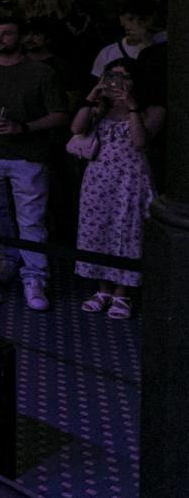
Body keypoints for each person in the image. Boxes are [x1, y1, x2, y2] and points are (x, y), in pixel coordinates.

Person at [0, 15, 70, 310]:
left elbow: (60, 114)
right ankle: (7, 260)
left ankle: (35, 277)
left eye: (7, 33)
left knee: (31, 219)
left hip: (29, 155)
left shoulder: (41, 73)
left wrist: (24, 127)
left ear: (20, 37)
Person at [73, 59, 164, 319]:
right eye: (112, 75)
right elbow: (76, 128)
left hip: (131, 180)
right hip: (98, 179)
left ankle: (122, 292)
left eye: (125, 76)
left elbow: (139, 141)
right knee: (96, 230)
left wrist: (132, 107)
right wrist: (91, 97)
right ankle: (102, 289)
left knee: (128, 232)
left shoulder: (153, 110)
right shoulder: (101, 107)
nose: (118, 81)